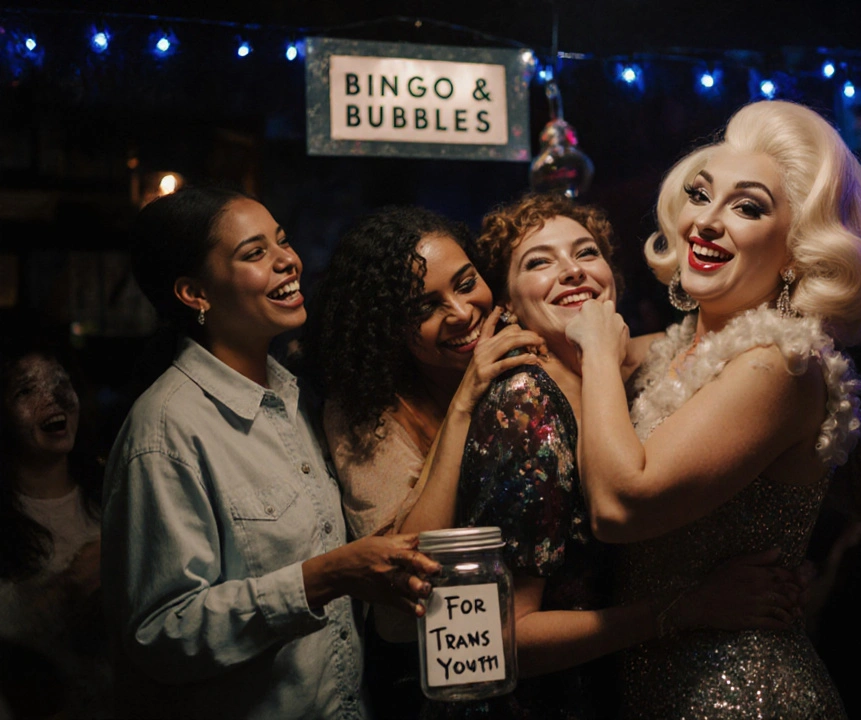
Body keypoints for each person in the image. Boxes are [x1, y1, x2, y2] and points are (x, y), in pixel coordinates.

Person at [566, 99, 861, 718]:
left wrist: (596, 353)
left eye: (747, 207)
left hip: (744, 700)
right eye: (700, 194)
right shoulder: (676, 349)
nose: (705, 223)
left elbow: (618, 504)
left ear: (798, 249)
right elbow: (573, 353)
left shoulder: (779, 365)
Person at [420, 192, 803, 719]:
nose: (572, 271)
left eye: (586, 253)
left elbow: (685, 348)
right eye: (539, 262)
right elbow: (491, 640)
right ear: (507, 303)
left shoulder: (602, 383)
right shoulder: (527, 405)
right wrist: (686, 609)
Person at [102, 186, 438, 720]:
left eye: (281, 242)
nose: (289, 260)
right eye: (255, 253)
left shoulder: (296, 399)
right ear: (195, 293)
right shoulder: (167, 432)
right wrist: (323, 577)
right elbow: (159, 634)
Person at [310, 205, 543, 718]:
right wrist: (466, 399)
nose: (461, 312)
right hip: (426, 679)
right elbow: (411, 566)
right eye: (424, 308)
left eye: (466, 284)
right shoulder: (363, 408)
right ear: (387, 328)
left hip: (545, 655)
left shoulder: (527, 358)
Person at [0, 333, 108, 717]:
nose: (54, 399)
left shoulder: (112, 489)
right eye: (26, 391)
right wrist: (71, 586)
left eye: (61, 383)